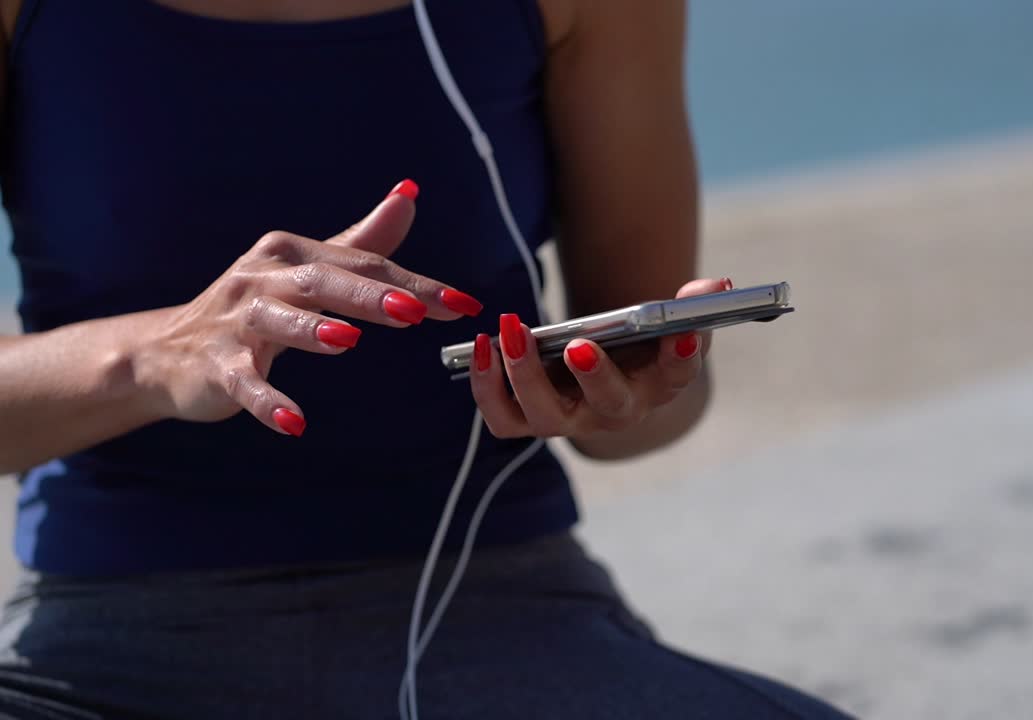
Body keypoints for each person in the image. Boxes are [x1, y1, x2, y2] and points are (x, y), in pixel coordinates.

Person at [0, 1, 854, 718]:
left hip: (503, 624)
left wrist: (627, 394)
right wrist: (153, 358)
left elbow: (642, 418)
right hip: (104, 652)